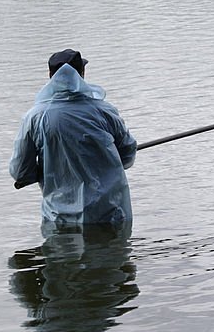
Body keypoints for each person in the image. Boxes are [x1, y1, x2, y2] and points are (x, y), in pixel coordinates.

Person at [10, 50, 137, 226]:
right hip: (108, 214)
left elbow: (21, 172)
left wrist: (45, 169)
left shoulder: (34, 117)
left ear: (50, 76)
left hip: (59, 219)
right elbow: (128, 153)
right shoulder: (104, 111)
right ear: (82, 75)